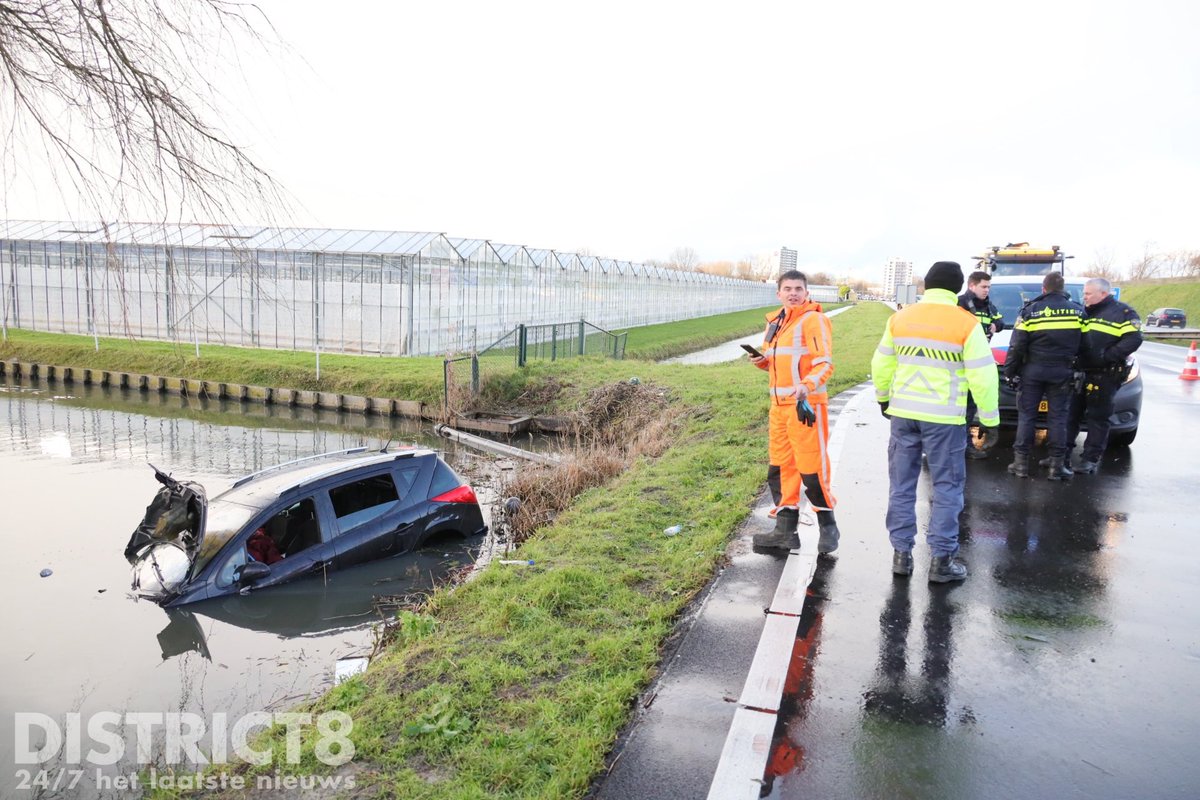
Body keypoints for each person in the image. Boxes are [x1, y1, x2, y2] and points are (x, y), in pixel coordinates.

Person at [872, 261, 999, 583]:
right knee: (946, 489)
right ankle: (941, 562)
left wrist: (884, 397)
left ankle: (901, 556)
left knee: (901, 486)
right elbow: (983, 375)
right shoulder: (966, 323)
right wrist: (989, 418)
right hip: (945, 419)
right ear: (957, 287)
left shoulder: (900, 318)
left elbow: (881, 362)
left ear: (926, 285)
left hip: (903, 415)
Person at [747, 269, 841, 553]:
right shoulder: (775, 322)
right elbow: (778, 363)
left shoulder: (813, 320)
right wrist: (762, 361)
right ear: (779, 293)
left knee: (812, 468)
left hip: (805, 407)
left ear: (806, 292)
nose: (793, 293)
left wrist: (807, 385)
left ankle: (828, 526)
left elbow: (824, 364)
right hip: (778, 408)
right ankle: (785, 531)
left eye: (798, 289)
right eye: (788, 289)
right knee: (780, 468)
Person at [1003, 271, 1084, 480]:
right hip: (1063, 371)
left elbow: (1017, 345)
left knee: (1027, 417)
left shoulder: (1031, 311)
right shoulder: (1078, 312)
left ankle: (1020, 464)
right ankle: (1056, 466)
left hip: (1033, 371)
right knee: (1058, 418)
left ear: (1043, 288)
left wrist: (1010, 371)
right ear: (1063, 288)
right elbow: (1087, 345)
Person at [1066, 277, 1142, 474]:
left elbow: (1134, 339)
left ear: (1103, 294)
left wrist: (1107, 357)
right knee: (1070, 416)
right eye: (1084, 293)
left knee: (1098, 419)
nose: (1085, 297)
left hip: (1104, 375)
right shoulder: (1082, 311)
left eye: (1088, 293)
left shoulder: (1122, 313)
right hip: (1079, 373)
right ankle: (1062, 454)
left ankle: (1090, 459)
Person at [958, 270, 1005, 459]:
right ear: (972, 286)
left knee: (969, 408)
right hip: (959, 362)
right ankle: (961, 445)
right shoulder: (960, 304)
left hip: (977, 362)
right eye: (983, 287)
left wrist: (997, 325)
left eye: (988, 287)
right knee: (960, 409)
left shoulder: (988, 306)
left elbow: (999, 320)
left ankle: (965, 445)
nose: (987, 290)